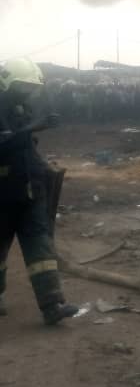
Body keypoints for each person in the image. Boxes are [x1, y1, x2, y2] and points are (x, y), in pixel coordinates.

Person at [0, 58, 78, 324]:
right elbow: (4, 142)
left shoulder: (21, 108)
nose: (26, 92)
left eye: (30, 87)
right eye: (22, 86)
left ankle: (52, 304)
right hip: (3, 194)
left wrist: (43, 167)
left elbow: (25, 147)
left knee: (40, 248)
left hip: (30, 189)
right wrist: (35, 126)